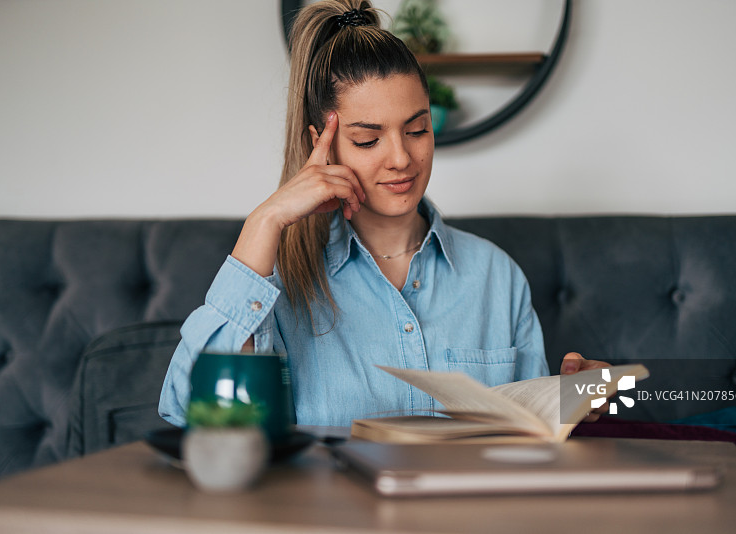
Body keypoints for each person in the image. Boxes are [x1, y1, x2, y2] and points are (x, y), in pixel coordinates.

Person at [159, 0, 608, 428]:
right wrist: (264, 222)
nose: (401, 158)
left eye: (417, 129)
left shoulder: (496, 276)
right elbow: (188, 412)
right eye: (368, 140)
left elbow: (534, 438)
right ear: (323, 143)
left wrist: (574, 402)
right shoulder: (276, 286)